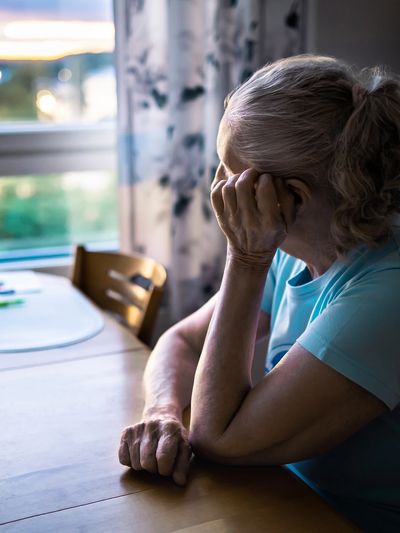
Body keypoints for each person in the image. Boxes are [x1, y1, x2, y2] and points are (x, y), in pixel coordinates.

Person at [118, 55, 400, 531]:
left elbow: (219, 436)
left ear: (293, 196)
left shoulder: (385, 293)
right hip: (281, 497)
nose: (215, 188)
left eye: (230, 172)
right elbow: (182, 341)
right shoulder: (297, 251)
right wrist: (163, 411)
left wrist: (245, 260)